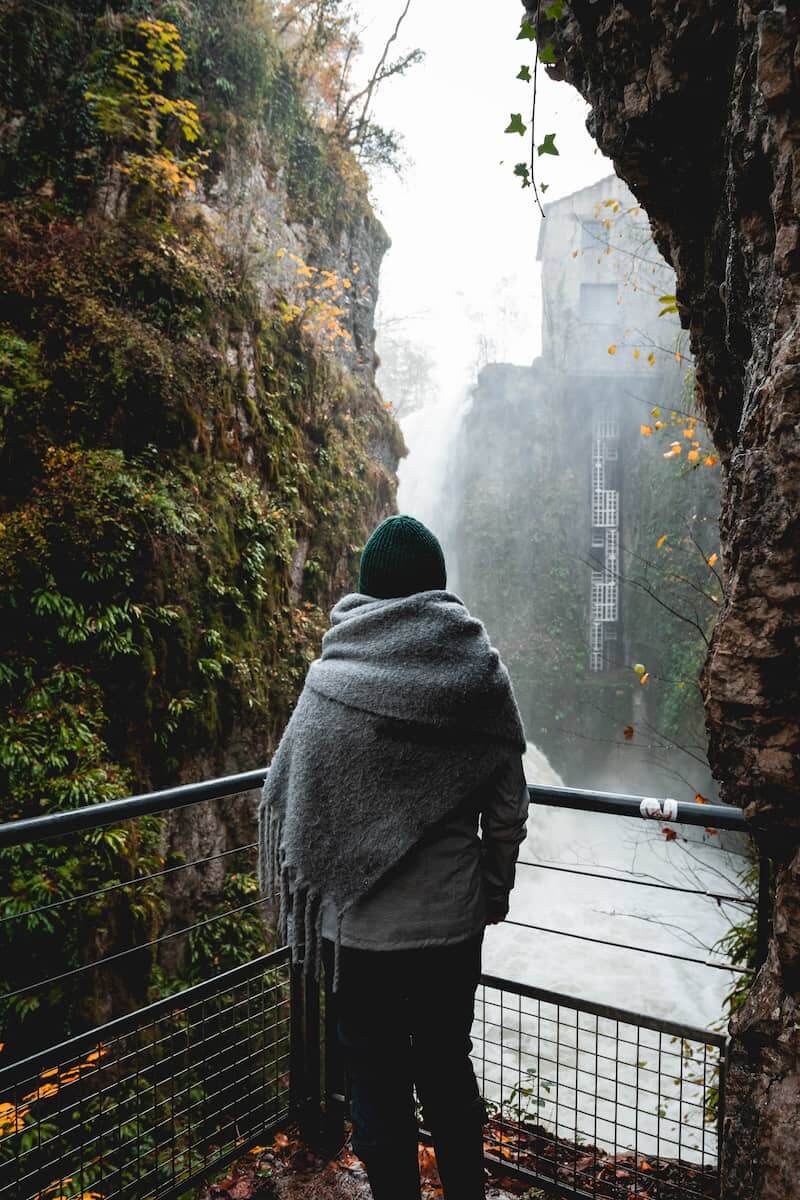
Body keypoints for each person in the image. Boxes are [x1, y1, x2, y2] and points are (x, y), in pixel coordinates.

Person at [258, 514, 529, 1200]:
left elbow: (300, 796)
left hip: (360, 934)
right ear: (437, 589)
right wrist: (491, 892)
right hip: (450, 922)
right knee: (446, 1066)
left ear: (367, 590)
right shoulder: (479, 673)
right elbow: (506, 812)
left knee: (374, 1080)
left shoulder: (331, 676)